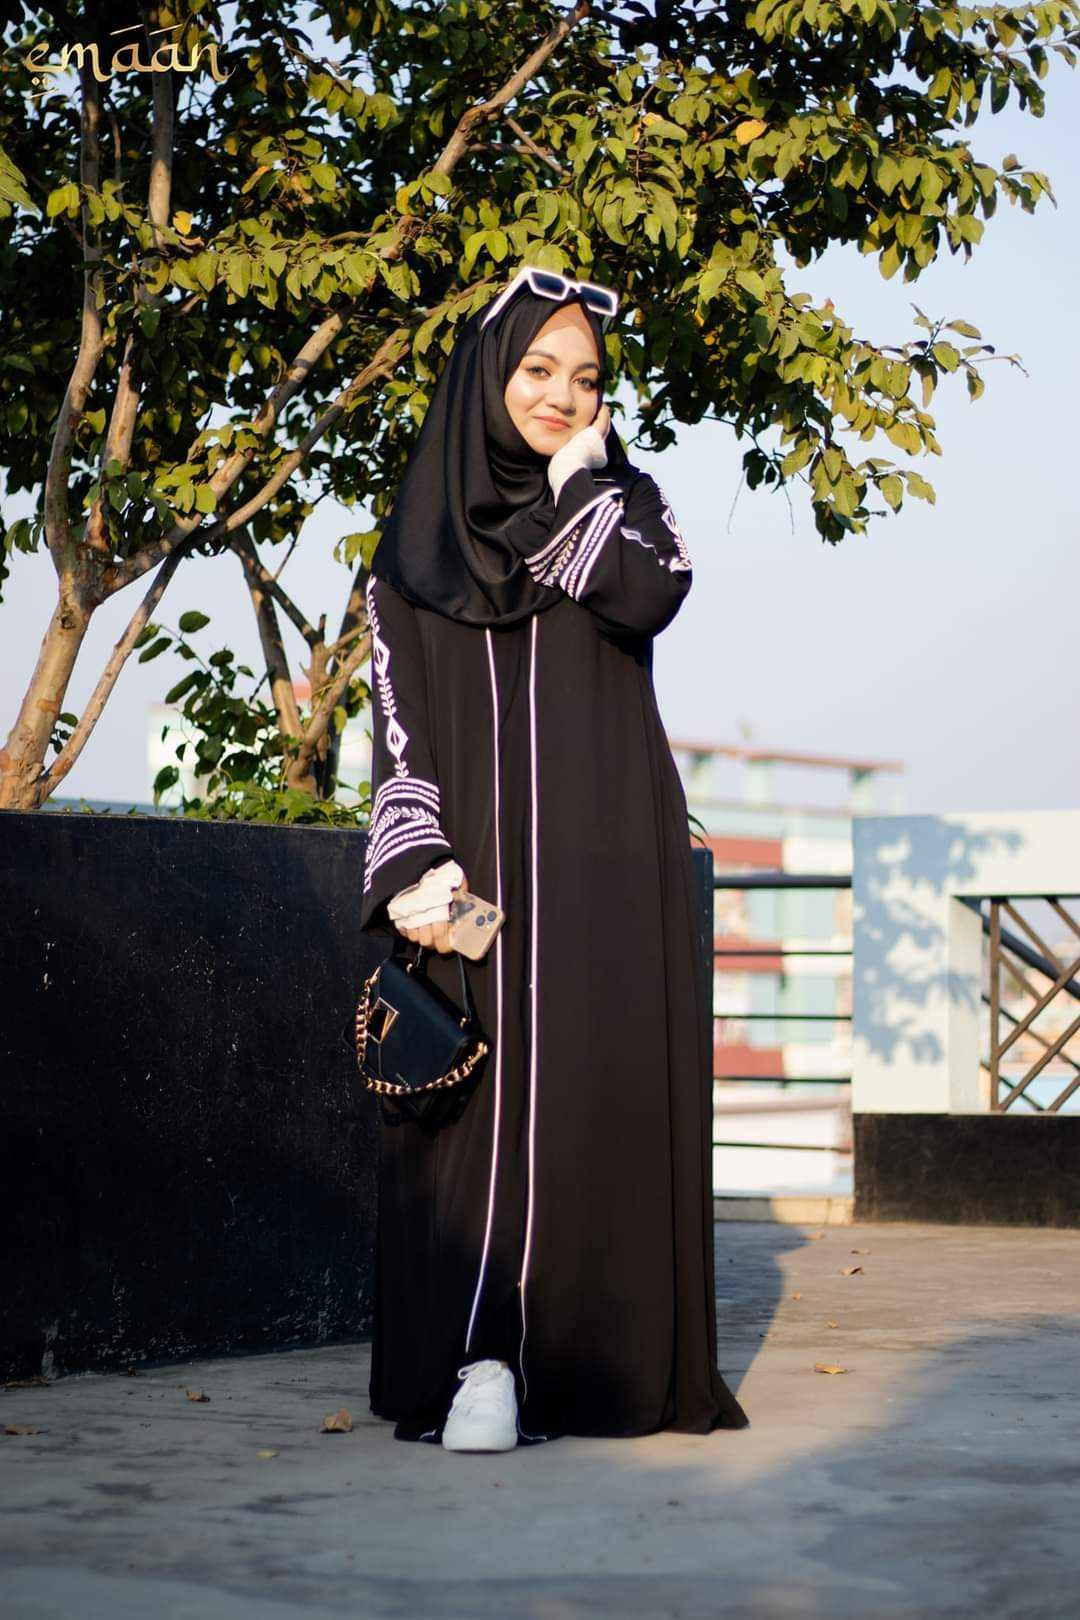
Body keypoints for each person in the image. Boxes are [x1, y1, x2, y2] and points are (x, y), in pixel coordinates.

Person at [358, 265, 750, 1451]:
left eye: (584, 379)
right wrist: (415, 866)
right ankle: (484, 1363)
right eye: (537, 370)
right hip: (474, 875)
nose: (561, 396)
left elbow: (647, 595)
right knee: (479, 1112)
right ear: (489, 374)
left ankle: (602, 1362)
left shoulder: (626, 505)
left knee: (594, 1095)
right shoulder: (411, 550)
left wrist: (585, 480)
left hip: (608, 859)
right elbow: (397, 724)